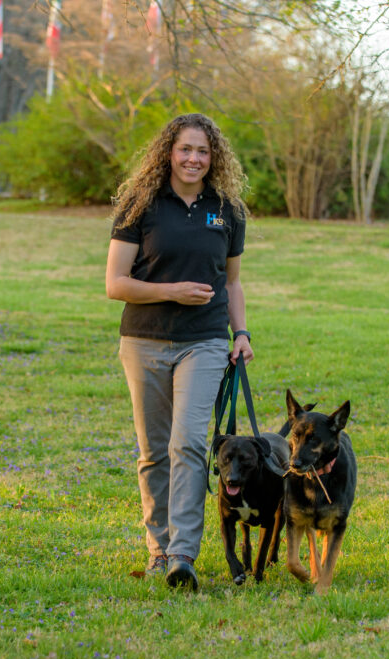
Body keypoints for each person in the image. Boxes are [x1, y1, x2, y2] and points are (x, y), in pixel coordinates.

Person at [105, 113, 253, 590]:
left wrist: (242, 333)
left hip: (206, 341)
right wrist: (171, 291)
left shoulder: (227, 209)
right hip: (143, 340)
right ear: (169, 151)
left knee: (188, 442)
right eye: (186, 149)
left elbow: (231, 282)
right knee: (153, 451)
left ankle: (182, 555)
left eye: (203, 151)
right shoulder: (139, 203)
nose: (194, 159)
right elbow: (115, 284)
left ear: (215, 158)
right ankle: (158, 547)